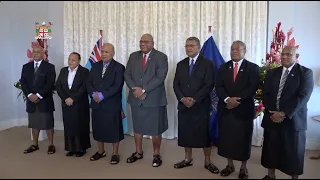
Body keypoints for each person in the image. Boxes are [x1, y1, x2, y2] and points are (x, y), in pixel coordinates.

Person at [261, 46, 314, 179]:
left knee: (293, 153)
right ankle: (270, 175)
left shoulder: (305, 73)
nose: (284, 57)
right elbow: (265, 94)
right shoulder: (272, 73)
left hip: (293, 120)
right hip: (272, 118)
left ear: (296, 56)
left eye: (288, 54)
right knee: (271, 151)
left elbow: (303, 97)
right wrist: (272, 112)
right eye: (282, 54)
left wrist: (283, 113)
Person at [172, 37, 219, 174]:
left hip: (201, 105)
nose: (189, 48)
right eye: (186, 46)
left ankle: (208, 161)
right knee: (186, 133)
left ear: (198, 47)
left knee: (204, 135)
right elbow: (176, 84)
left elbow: (209, 84)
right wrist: (182, 98)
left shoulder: (207, 63)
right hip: (184, 105)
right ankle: (187, 159)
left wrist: (194, 99)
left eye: (192, 45)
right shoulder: (181, 64)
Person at [216, 41, 260, 179]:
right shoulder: (223, 67)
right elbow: (219, 87)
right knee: (227, 139)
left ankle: (243, 168)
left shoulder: (253, 68)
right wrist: (227, 100)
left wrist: (236, 101)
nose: (234, 51)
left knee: (243, 140)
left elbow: (252, 88)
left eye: (237, 49)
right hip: (226, 109)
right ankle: (230, 165)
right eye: (232, 49)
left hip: (244, 110)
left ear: (244, 50)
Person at [124, 34, 168, 167]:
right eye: (141, 41)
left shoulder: (161, 57)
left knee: (155, 130)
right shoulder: (133, 56)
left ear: (152, 43)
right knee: (138, 128)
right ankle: (138, 152)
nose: (143, 44)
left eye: (146, 42)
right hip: (136, 98)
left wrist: (143, 90)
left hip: (154, 99)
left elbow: (160, 77)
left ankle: (156, 154)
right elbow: (127, 74)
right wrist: (135, 89)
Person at [86, 43, 125, 164]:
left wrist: (102, 95)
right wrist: (94, 94)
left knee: (114, 130)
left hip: (111, 104)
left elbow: (117, 86)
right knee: (98, 129)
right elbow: (88, 83)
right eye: (102, 51)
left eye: (106, 52)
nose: (103, 54)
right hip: (96, 103)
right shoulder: (95, 66)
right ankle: (101, 151)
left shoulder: (119, 67)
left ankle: (115, 153)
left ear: (113, 53)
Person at [20, 45, 56, 154]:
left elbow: (50, 84)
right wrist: (30, 95)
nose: (35, 53)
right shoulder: (26, 67)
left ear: (43, 54)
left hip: (44, 101)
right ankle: (35, 145)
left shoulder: (49, 67)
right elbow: (23, 82)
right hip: (31, 101)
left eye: (38, 52)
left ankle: (51, 145)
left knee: (48, 124)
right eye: (34, 52)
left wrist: (39, 95)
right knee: (34, 124)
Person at [55, 52, 91, 157]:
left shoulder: (84, 71)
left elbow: (84, 87)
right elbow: (58, 86)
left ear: (79, 61)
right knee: (69, 126)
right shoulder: (63, 71)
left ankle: (81, 148)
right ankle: (71, 148)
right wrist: (65, 98)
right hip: (66, 103)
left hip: (79, 104)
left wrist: (73, 98)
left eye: (73, 60)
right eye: (69, 59)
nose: (70, 62)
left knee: (80, 126)